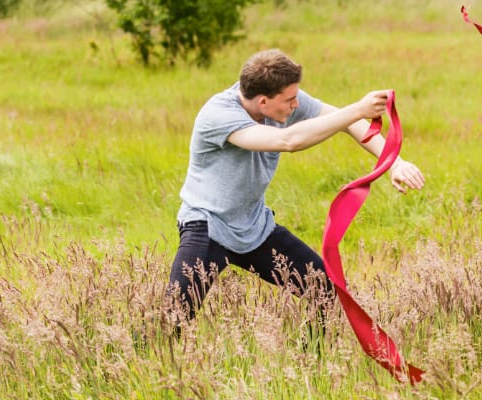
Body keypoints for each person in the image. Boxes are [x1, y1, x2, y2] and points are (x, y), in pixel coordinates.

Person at [166, 49, 426, 326]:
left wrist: (394, 162)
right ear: (264, 102)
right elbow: (288, 141)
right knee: (174, 318)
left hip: (255, 229)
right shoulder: (218, 115)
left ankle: (309, 363)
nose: (295, 105)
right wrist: (358, 108)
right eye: (289, 101)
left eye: (296, 98)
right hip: (208, 227)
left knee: (324, 288)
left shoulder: (280, 101)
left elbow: (348, 123)